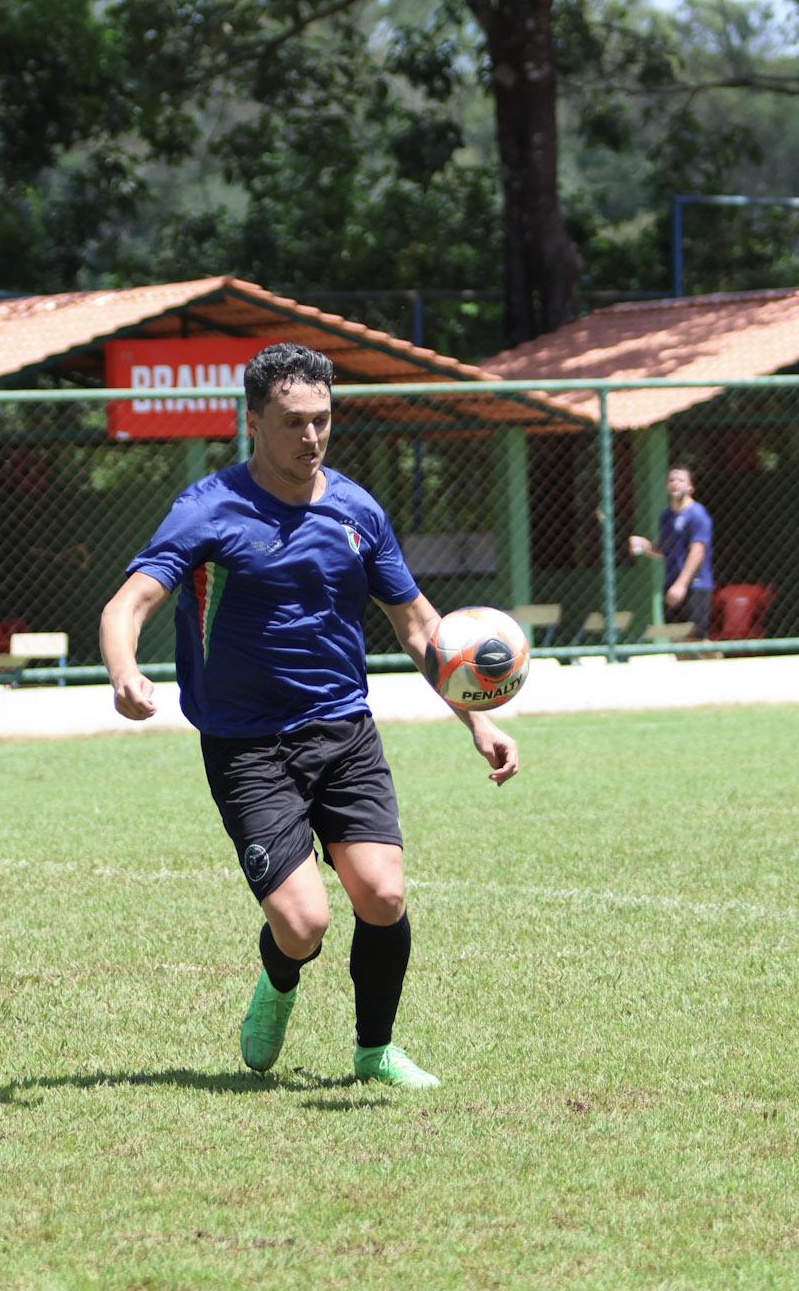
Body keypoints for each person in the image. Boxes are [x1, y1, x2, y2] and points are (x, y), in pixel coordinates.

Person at [100, 343, 518, 1090]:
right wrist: (125, 672)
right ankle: (279, 980)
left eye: (322, 419)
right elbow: (128, 603)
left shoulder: (358, 511)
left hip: (344, 730)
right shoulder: (208, 509)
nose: (312, 436)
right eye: (293, 421)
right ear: (254, 422)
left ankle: (375, 1051)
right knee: (302, 925)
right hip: (247, 743)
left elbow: (420, 628)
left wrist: (477, 717)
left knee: (383, 896)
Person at [628, 465, 714, 639]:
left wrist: (681, 585)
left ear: (690, 487)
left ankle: (721, 656)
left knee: (695, 641)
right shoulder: (666, 517)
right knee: (676, 640)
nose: (675, 484)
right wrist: (644, 545)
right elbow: (663, 551)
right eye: (672, 480)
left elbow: (698, 551)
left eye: (681, 480)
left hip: (695, 586)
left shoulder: (697, 514)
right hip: (671, 586)